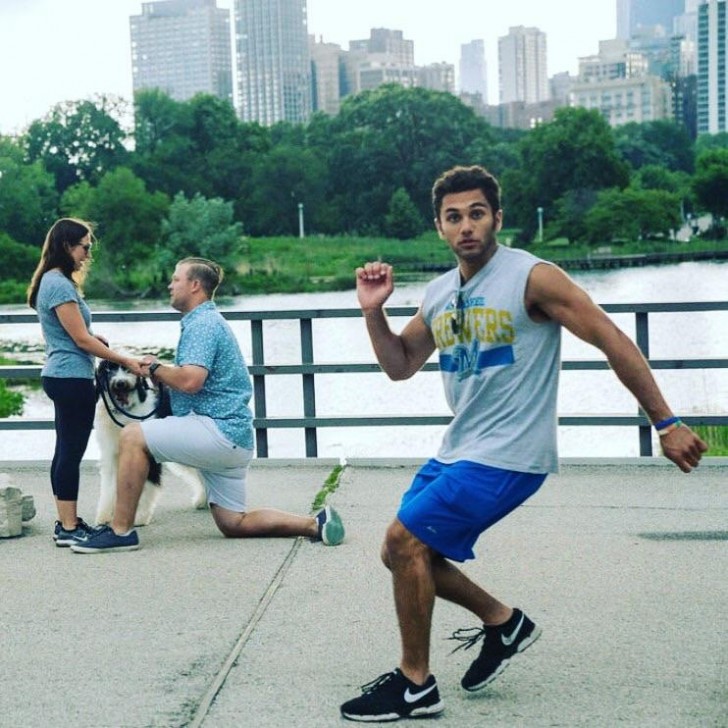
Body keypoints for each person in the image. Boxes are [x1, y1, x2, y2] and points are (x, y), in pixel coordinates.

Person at [340, 165, 708, 722]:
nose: (466, 227)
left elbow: (610, 338)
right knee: (399, 553)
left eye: (477, 214)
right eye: (453, 217)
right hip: (459, 448)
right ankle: (503, 622)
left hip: (511, 452)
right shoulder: (440, 293)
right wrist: (374, 313)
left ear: (497, 218)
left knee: (406, 539)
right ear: (439, 227)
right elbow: (401, 365)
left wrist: (665, 422)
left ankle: (415, 685)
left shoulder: (533, 278)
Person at [71, 257, 345, 553]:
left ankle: (120, 531)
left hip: (215, 431)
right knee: (233, 523)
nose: (169, 284)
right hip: (234, 439)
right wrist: (163, 372)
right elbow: (192, 380)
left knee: (132, 435)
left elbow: (190, 381)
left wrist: (152, 369)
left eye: (176, 279)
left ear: (195, 285)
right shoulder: (209, 322)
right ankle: (315, 523)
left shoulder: (202, 324)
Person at [27, 218, 145, 548]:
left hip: (60, 373)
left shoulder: (51, 281)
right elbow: (79, 340)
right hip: (71, 376)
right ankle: (69, 526)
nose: (87, 254)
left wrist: (92, 337)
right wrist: (123, 359)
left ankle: (66, 521)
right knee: (70, 452)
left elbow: (73, 333)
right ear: (66, 246)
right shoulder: (60, 285)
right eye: (84, 247)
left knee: (64, 450)